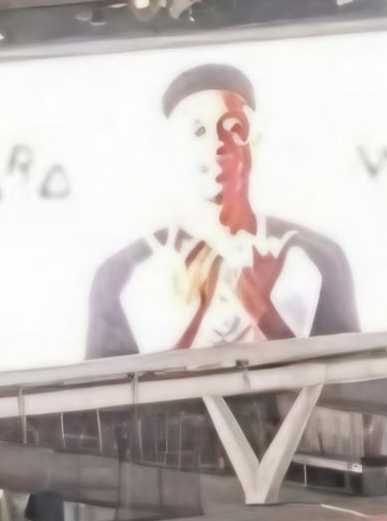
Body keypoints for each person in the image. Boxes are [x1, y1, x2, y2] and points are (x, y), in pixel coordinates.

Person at [87, 64, 359, 359]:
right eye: (198, 130)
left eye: (234, 129)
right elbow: (109, 399)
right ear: (170, 149)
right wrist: (196, 314)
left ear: (255, 142)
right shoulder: (119, 275)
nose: (218, 145)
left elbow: (345, 389)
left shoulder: (320, 258)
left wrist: (264, 311)